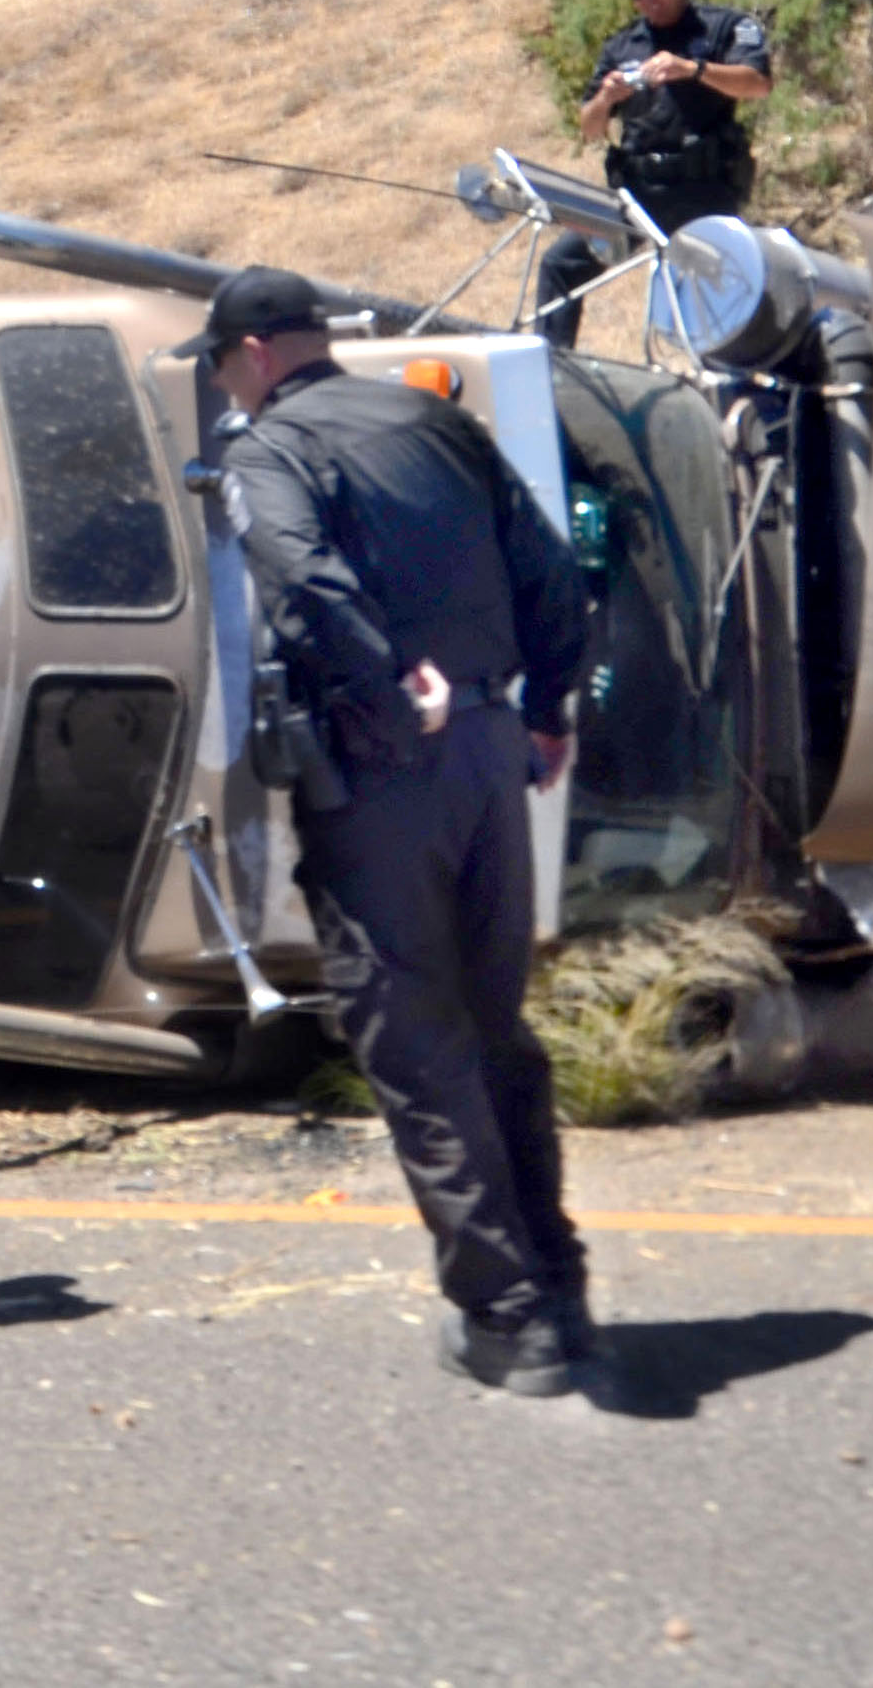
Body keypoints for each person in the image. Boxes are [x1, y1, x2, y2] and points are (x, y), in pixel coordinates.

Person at [199, 268, 602, 1394]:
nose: (228, 386)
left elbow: (302, 581)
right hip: (487, 752)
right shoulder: (433, 420)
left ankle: (509, 1320)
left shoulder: (264, 450)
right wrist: (549, 709)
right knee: (494, 1029)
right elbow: (552, 572)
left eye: (223, 366)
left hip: (383, 766)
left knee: (414, 1041)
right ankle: (559, 1289)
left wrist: (385, 682)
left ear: (253, 354)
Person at [536, 0, 774, 353]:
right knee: (560, 265)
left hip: (702, 192)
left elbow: (757, 84)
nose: (649, 1)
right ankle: (550, 373)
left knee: (719, 304)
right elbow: (588, 126)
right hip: (639, 196)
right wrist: (606, 99)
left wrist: (694, 69)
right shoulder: (623, 45)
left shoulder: (723, 26)